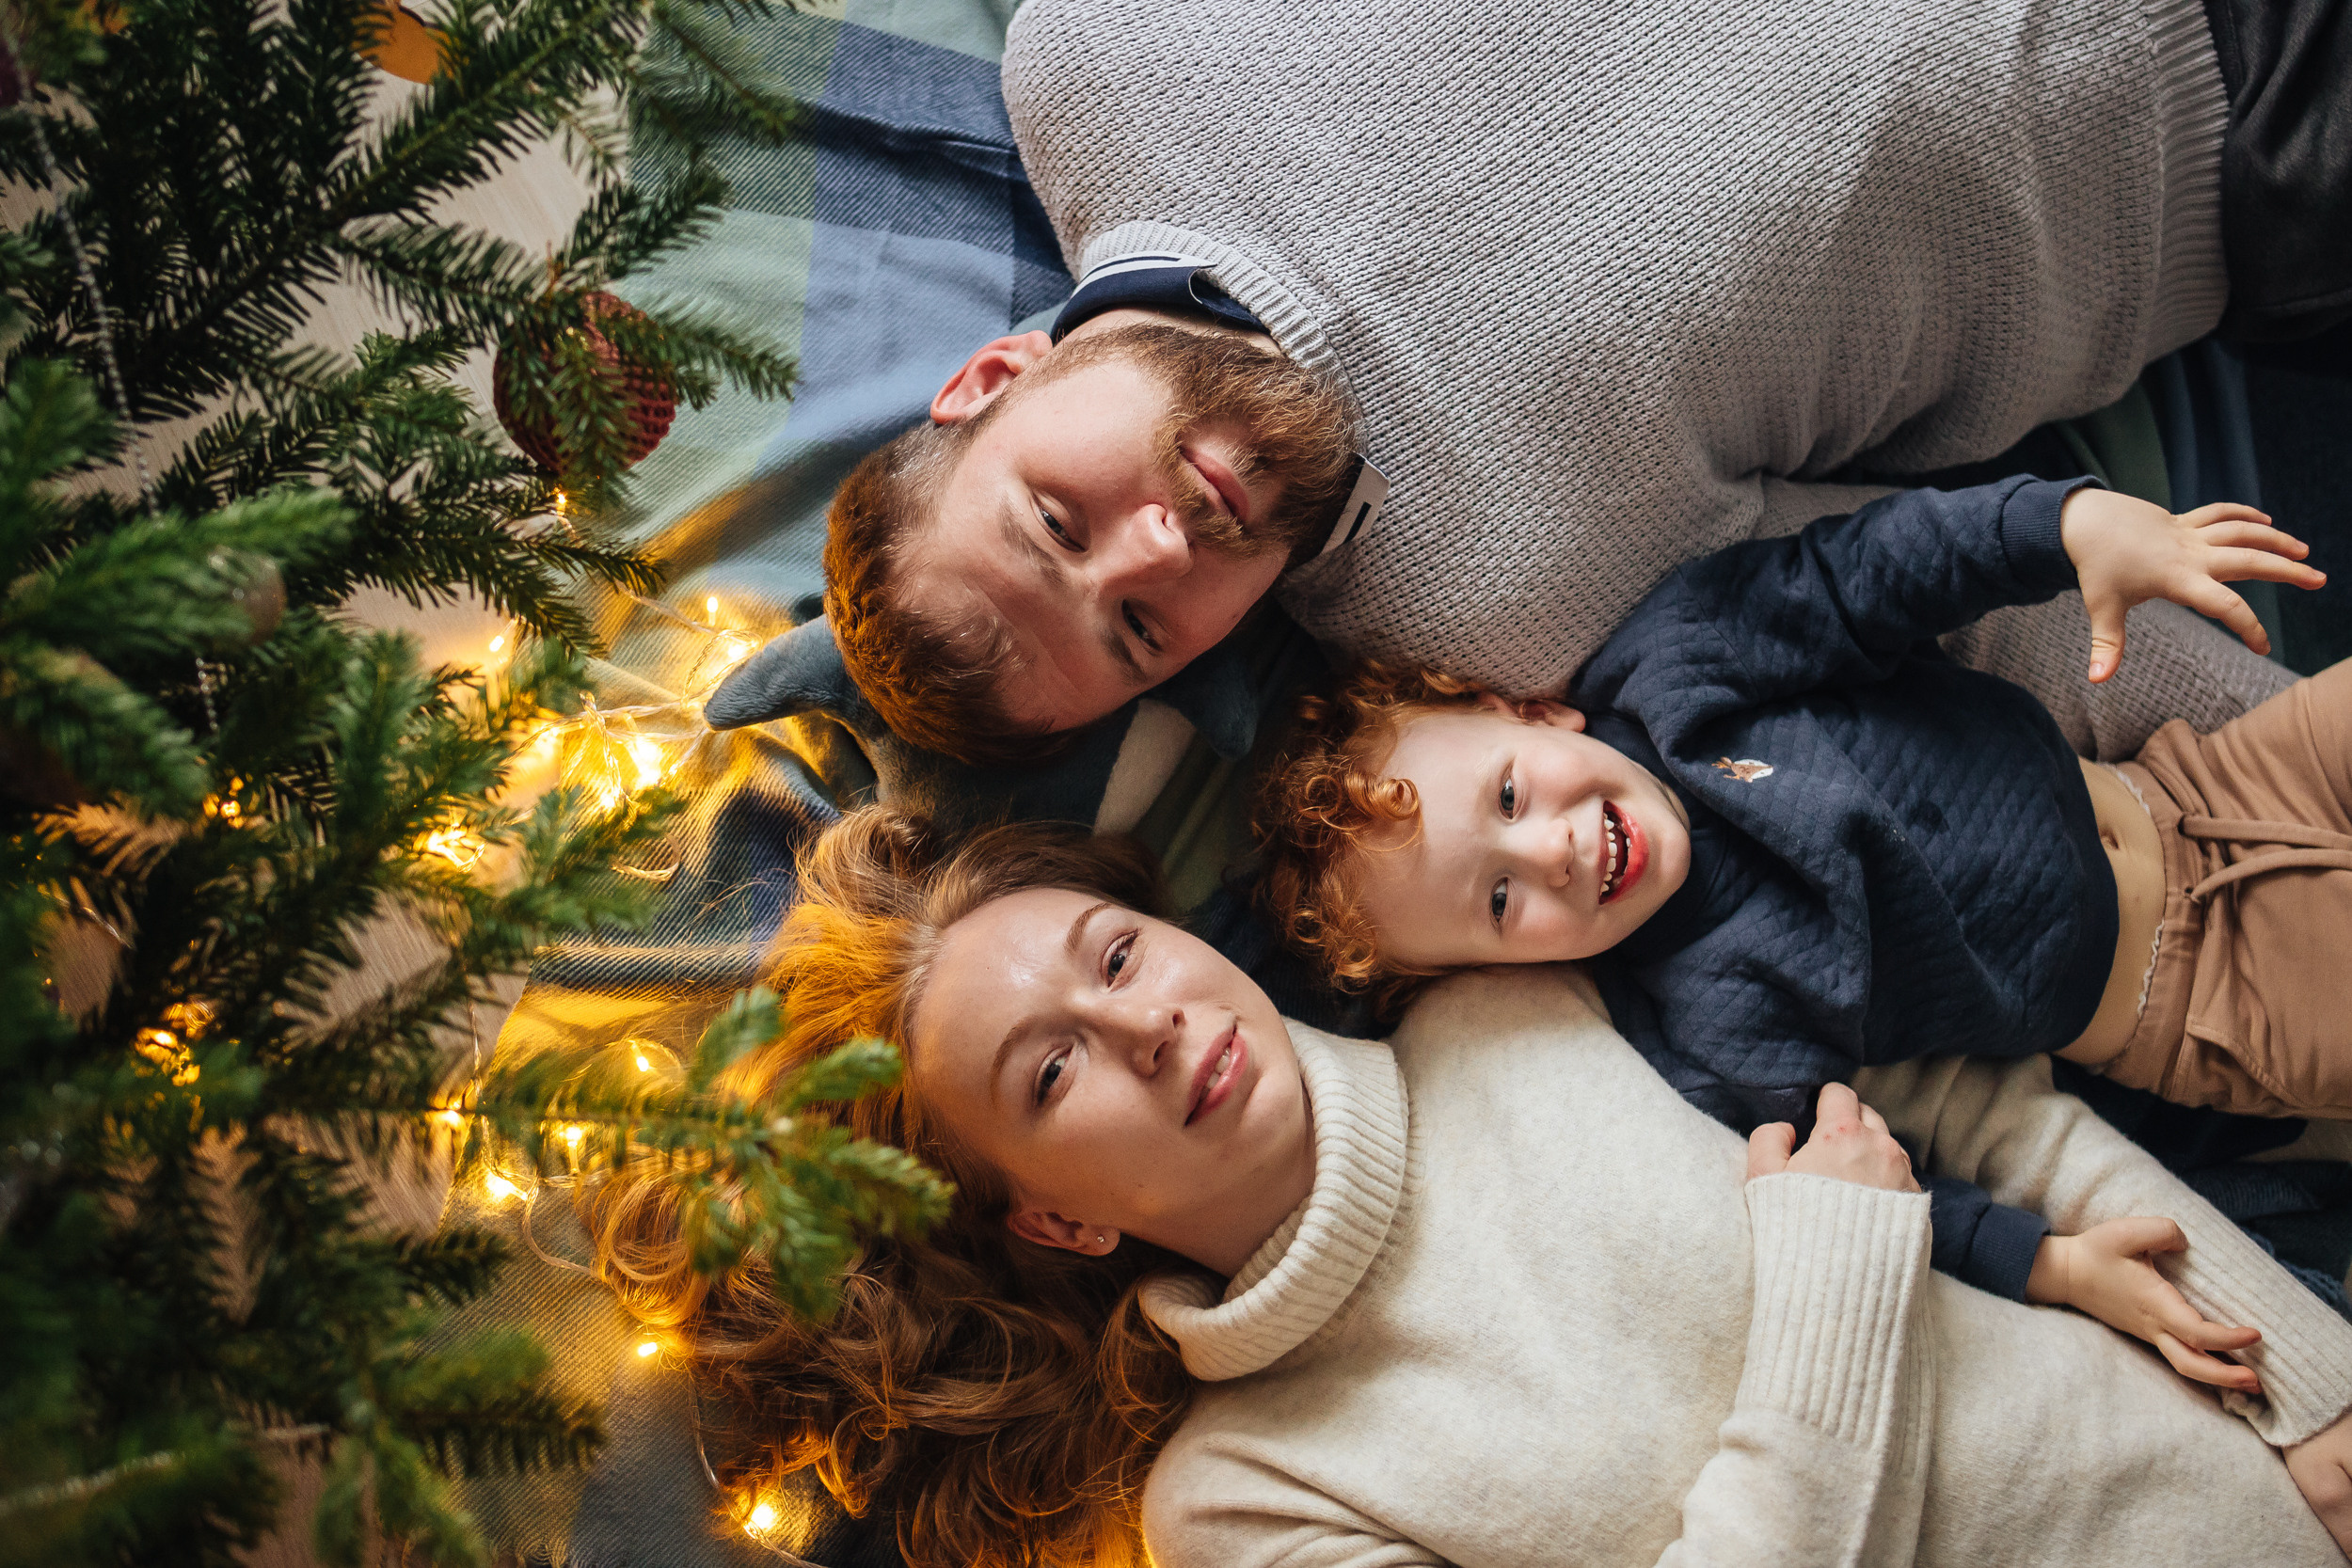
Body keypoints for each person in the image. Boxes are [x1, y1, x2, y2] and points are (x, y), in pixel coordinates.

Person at [596, 807, 2352, 1568]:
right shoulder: (1243, 1501)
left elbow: (1973, 1102)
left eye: (1115, 953)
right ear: (1051, 1215)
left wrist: (2312, 1391)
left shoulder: (1510, 992)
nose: (1145, 1026)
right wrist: (1829, 1290)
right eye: (1051, 1070)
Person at [812, 0, 2351, 768]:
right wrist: (2305, 768)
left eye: (1056, 525)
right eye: (1140, 633)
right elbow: (1974, 605)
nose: (1159, 551)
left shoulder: (1102, 52)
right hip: (2244, 145)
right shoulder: (1491, 608)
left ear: (992, 377)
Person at [1249, 473, 2352, 1298]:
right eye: (1498, 902)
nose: (1551, 851)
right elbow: (1866, 1190)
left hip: (2216, 772)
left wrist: (2061, 525)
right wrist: (2052, 1265)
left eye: (1506, 795)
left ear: (1534, 714)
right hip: (2205, 989)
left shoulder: (1676, 670)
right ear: (1499, 972)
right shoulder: (1713, 1015)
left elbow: (1862, 573)